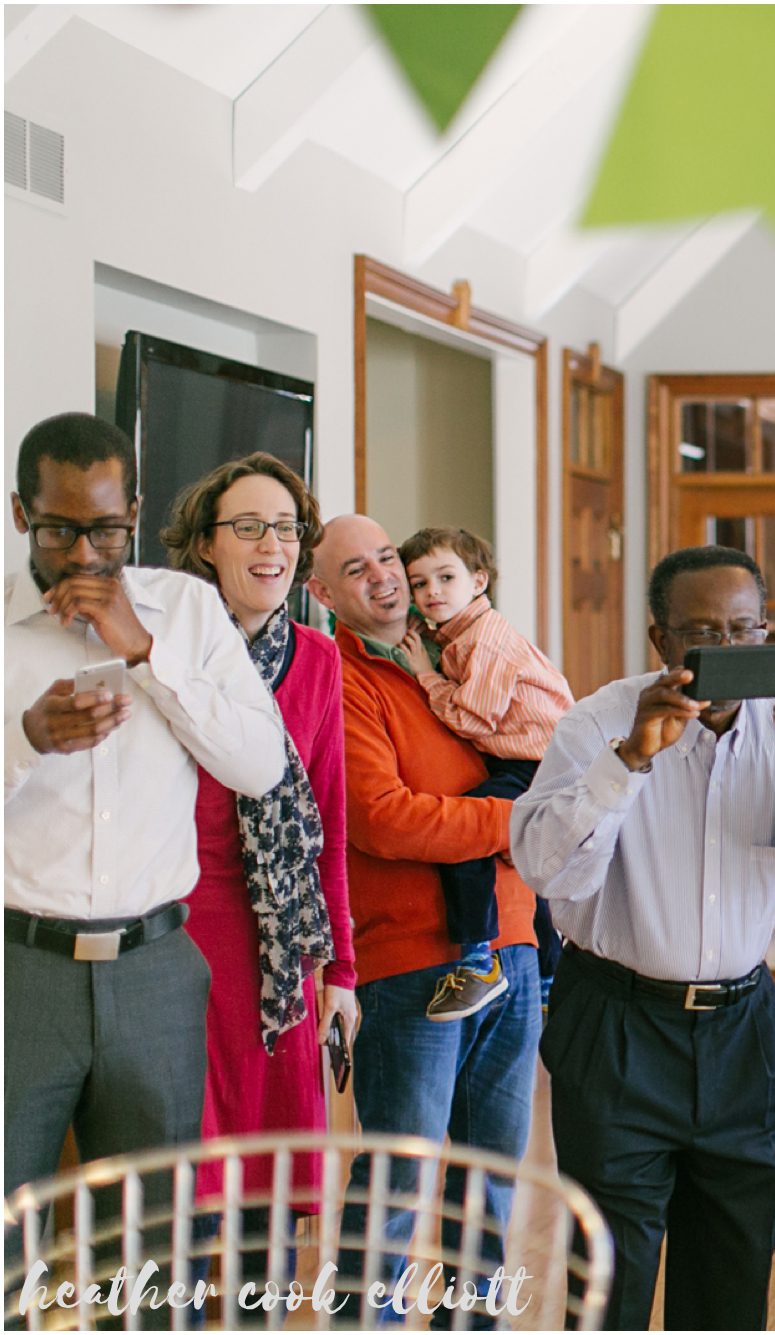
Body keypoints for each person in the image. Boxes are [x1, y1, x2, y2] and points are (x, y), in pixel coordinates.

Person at [512, 544, 775, 1330]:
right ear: (660, 641)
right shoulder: (598, 724)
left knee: (729, 1285)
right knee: (608, 1285)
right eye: (700, 635)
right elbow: (549, 870)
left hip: (743, 1035)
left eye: (742, 630)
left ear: (768, 632)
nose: (724, 652)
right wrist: (629, 762)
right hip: (616, 1028)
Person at [5, 413, 286, 1197]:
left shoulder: (189, 616)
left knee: (151, 1246)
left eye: (105, 529)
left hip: (156, 968)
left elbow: (261, 767)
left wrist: (145, 652)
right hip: (17, 970)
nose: (86, 554)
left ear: (133, 510)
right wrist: (24, 740)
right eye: (60, 530)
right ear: (21, 513)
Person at [304, 514, 541, 1307]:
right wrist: (522, 823)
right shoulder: (339, 676)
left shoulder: (457, 648)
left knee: (491, 1181)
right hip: (413, 966)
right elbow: (384, 816)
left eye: (386, 558)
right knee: (397, 1182)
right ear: (322, 591)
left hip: (514, 948)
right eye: (355, 568)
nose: (385, 577)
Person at [157, 453, 357, 1289]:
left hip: (278, 951)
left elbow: (330, 830)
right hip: (174, 939)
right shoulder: (164, 646)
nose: (271, 545)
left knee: (267, 1204)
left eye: (285, 528)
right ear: (206, 543)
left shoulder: (317, 657)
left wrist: (341, 972)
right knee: (183, 1188)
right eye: (248, 526)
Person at [397, 525, 573, 1020]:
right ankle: (549, 976)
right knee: (522, 865)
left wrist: (424, 675)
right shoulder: (456, 632)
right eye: (419, 583)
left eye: (445, 577)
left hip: (539, 764)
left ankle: (478, 961)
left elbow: (473, 717)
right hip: (528, 760)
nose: (432, 592)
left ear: (478, 582)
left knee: (460, 835)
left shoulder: (488, 639)